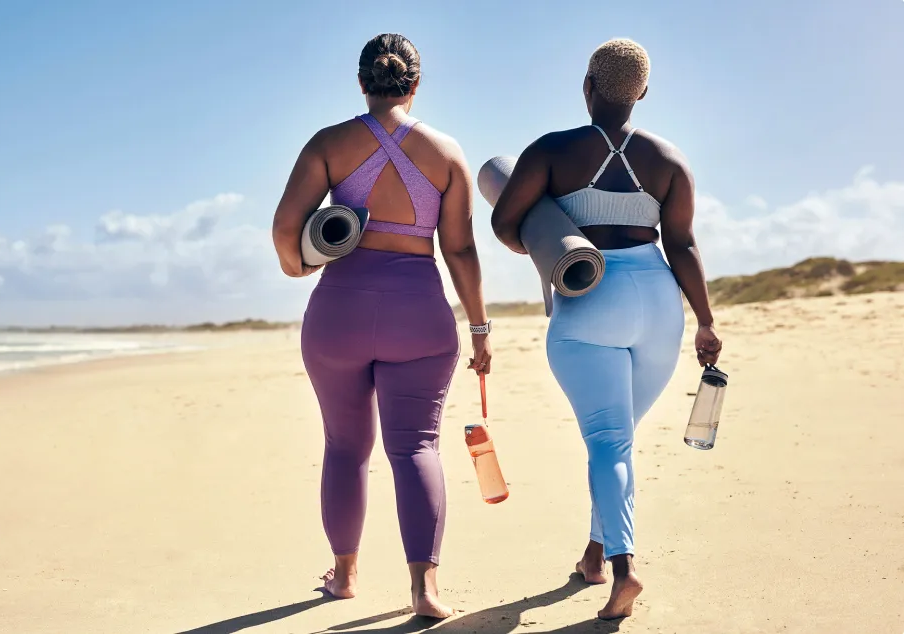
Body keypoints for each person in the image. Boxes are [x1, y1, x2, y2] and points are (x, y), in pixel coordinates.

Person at [490, 38, 722, 620]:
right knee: (616, 440)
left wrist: (549, 243)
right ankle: (594, 556)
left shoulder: (550, 151)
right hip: (660, 304)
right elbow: (684, 244)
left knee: (608, 442)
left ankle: (624, 570)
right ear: (642, 92)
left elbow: (503, 221)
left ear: (587, 85)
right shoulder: (670, 161)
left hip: (591, 300)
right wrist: (706, 322)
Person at [271, 33, 492, 620]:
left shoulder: (328, 144)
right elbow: (461, 251)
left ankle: (343, 576)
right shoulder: (447, 153)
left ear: (362, 82)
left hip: (338, 314)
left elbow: (284, 235)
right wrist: (479, 328)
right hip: (418, 314)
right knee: (415, 445)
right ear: (415, 85)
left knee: (345, 446)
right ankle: (424, 590)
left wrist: (301, 264)